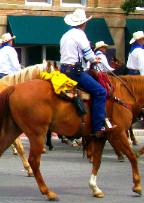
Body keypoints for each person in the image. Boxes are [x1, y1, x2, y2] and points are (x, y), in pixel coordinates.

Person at [59, 9, 115, 137]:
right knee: (101, 92)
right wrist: (95, 60)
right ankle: (98, 127)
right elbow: (88, 53)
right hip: (75, 71)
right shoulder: (80, 34)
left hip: (63, 69)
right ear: (83, 23)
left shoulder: (65, 35)